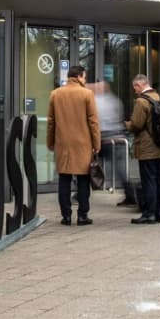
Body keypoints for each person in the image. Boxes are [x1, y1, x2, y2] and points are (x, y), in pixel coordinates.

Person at [46, 65, 101, 226]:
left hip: (63, 144)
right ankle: (83, 215)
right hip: (83, 144)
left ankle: (66, 216)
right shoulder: (87, 94)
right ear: (79, 77)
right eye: (84, 77)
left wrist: (50, 142)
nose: (85, 80)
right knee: (83, 180)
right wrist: (96, 143)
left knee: (64, 179)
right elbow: (93, 121)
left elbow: (51, 122)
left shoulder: (55, 94)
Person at [125, 74, 160, 224]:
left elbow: (136, 124)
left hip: (147, 147)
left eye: (135, 88)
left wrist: (127, 124)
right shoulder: (159, 98)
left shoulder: (141, 101)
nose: (135, 91)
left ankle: (149, 214)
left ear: (139, 85)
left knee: (149, 180)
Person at [88, 81, 126, 193]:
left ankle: (82, 191)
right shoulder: (115, 100)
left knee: (89, 164)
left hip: (102, 137)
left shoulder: (96, 101)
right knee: (119, 168)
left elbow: (94, 121)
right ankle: (129, 192)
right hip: (116, 136)